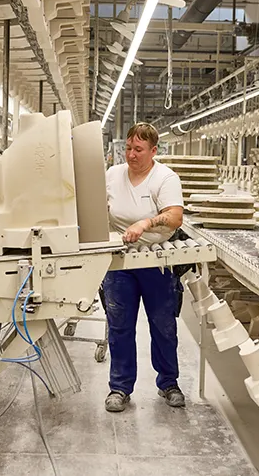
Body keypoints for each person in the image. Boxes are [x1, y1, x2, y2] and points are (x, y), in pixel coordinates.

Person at [102, 122, 185, 413]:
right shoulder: (113, 175)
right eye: (128, 148)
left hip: (156, 261)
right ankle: (120, 388)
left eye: (138, 149)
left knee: (163, 325)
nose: (131, 155)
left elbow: (175, 217)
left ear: (153, 151)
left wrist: (146, 222)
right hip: (119, 261)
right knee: (120, 326)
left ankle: (169, 383)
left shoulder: (165, 178)